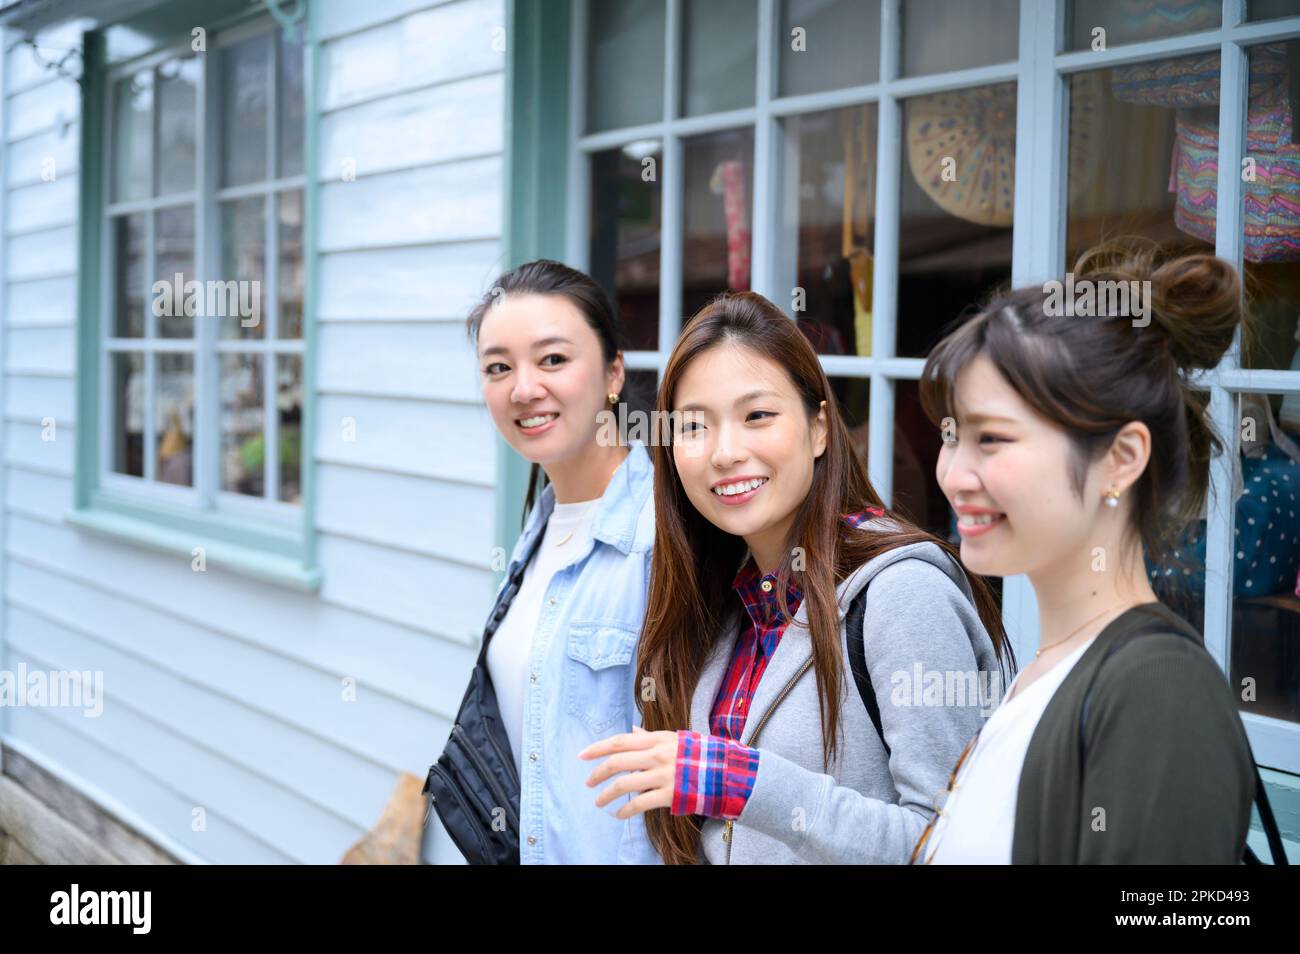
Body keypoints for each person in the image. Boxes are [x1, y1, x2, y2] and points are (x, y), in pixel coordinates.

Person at [580, 291, 1012, 864]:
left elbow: (948, 845)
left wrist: (744, 783)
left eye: (758, 416)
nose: (726, 452)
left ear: (819, 430)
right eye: (693, 426)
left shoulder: (904, 593)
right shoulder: (723, 598)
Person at [912, 239, 1255, 863]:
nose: (954, 474)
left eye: (992, 438)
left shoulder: (1157, 692)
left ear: (1121, 459)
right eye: (952, 436)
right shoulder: (1048, 672)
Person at [458, 259, 658, 863]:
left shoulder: (663, 535)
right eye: (499, 367)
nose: (523, 389)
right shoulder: (540, 525)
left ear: (613, 372)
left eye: (552, 360)